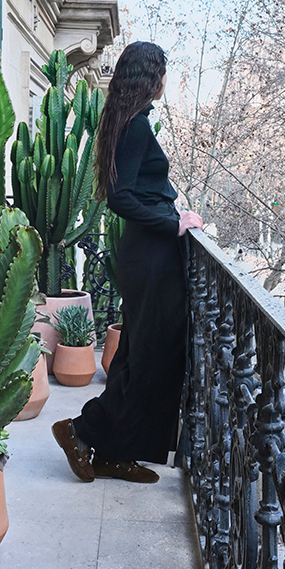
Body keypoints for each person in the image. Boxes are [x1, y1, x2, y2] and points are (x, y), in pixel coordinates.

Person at [52, 42, 202, 484]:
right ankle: (80, 430)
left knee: (140, 354)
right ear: (149, 77)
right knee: (150, 359)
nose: (164, 81)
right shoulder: (134, 127)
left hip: (147, 254)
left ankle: (113, 454)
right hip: (152, 256)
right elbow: (121, 197)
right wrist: (173, 223)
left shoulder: (128, 122)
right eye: (161, 72)